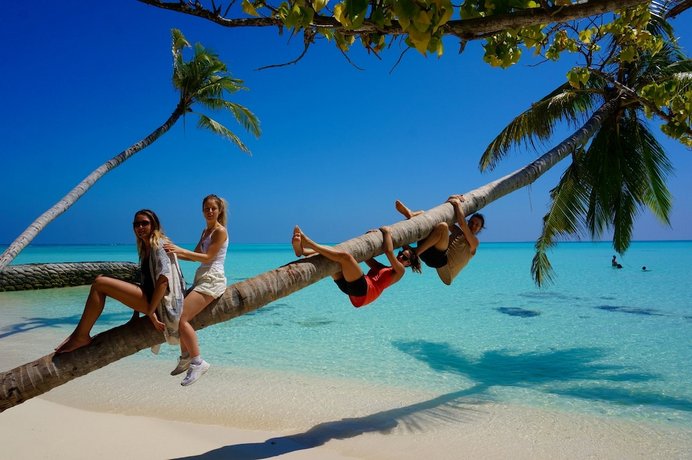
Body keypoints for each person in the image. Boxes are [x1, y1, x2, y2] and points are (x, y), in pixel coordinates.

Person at [56, 209, 185, 353]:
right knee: (100, 279)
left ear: (153, 225)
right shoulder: (146, 247)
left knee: (100, 283)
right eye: (136, 224)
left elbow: (163, 281)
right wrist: (135, 315)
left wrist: (150, 312)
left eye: (144, 223)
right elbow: (145, 283)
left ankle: (80, 336)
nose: (140, 227)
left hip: (162, 303)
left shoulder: (159, 245)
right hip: (152, 298)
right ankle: (78, 335)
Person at [164, 194, 229, 386]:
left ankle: (198, 362)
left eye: (213, 208)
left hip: (212, 279)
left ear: (219, 211)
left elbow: (208, 257)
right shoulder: (205, 232)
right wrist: (171, 252)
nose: (209, 211)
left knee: (181, 317)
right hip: (202, 278)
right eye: (206, 208)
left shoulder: (220, 231)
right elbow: (194, 256)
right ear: (202, 211)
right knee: (178, 314)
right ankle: (185, 356)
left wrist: (178, 249)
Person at [291, 225, 420, 308]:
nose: (400, 256)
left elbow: (388, 251)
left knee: (345, 258)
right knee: (330, 258)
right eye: (401, 253)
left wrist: (386, 232)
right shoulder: (382, 268)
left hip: (364, 291)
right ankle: (303, 251)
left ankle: (309, 243)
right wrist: (370, 236)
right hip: (355, 293)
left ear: (408, 263)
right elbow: (365, 256)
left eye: (404, 257)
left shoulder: (400, 271)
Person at [395, 195, 483, 285]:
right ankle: (412, 214)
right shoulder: (458, 232)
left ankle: (415, 252)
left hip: (443, 267)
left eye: (477, 225)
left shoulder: (474, 243)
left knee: (443, 227)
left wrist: (457, 204)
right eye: (471, 222)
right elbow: (441, 217)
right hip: (428, 254)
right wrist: (450, 198)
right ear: (468, 222)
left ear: (480, 229)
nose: (473, 225)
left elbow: (462, 224)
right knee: (428, 217)